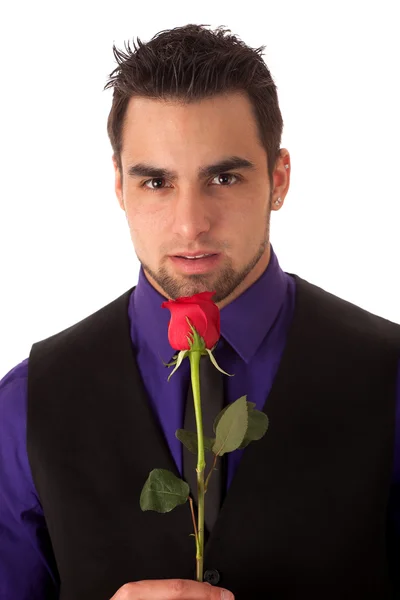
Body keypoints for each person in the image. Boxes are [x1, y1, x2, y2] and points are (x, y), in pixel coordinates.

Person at [0, 23, 399, 600]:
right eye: (157, 181)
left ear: (279, 179)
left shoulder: (391, 383)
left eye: (224, 176)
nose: (190, 225)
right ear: (119, 185)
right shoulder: (23, 410)